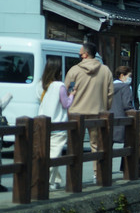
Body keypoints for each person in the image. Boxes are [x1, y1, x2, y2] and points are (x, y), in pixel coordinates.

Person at [65, 41, 114, 180]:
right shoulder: (105, 70)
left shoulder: (74, 70)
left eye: (80, 54)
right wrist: (106, 108)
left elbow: (66, 90)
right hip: (98, 112)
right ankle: (97, 173)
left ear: (85, 55)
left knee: (74, 145)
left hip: (76, 113)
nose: (79, 56)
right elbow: (110, 93)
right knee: (96, 145)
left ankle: (74, 176)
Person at [39, 61, 74, 191]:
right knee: (54, 154)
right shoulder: (60, 85)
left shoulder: (44, 85)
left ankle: (56, 180)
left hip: (43, 123)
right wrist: (72, 94)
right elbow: (66, 104)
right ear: (58, 71)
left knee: (50, 153)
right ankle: (47, 181)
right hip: (58, 124)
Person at [110, 66, 135, 171]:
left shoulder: (109, 86)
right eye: (129, 76)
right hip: (122, 119)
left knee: (107, 145)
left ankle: (102, 170)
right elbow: (127, 104)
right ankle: (125, 167)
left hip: (108, 117)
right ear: (122, 75)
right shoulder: (125, 87)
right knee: (129, 142)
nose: (130, 78)